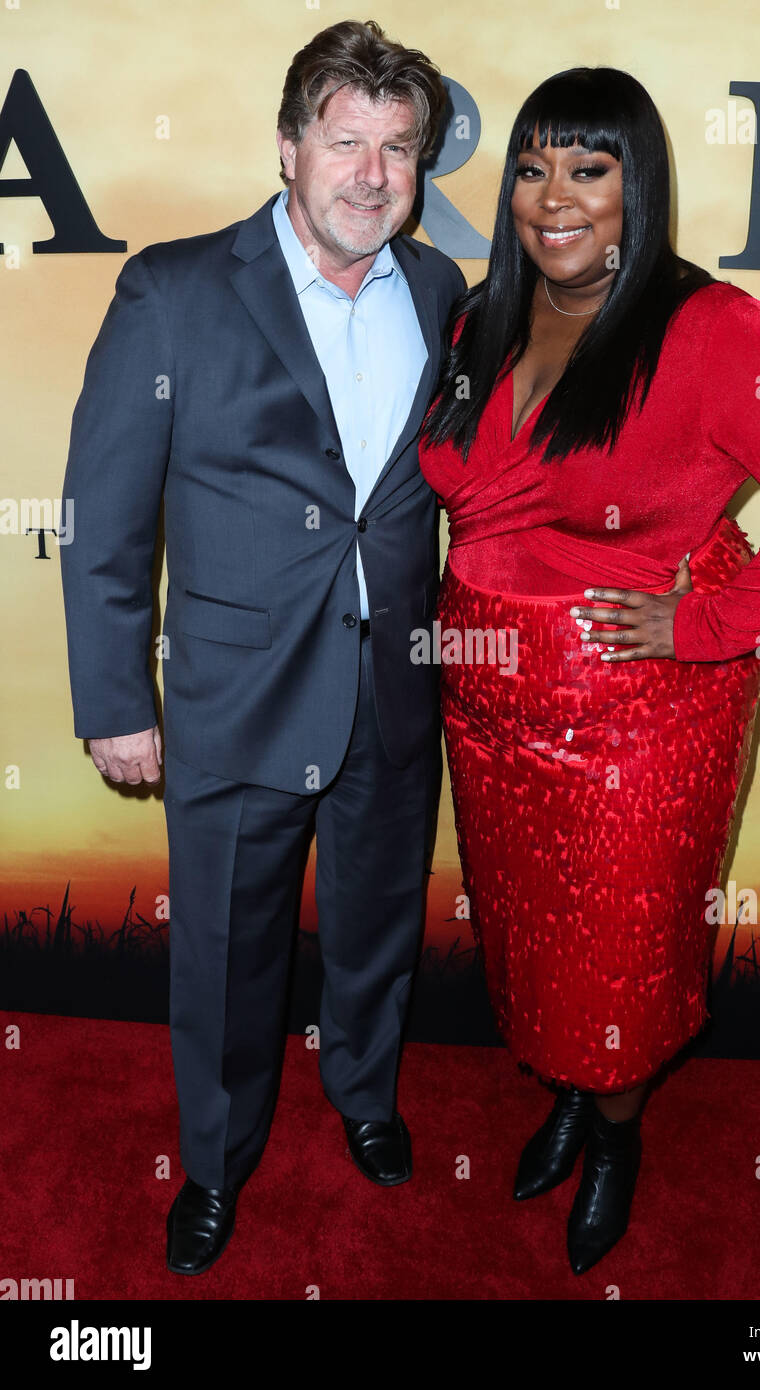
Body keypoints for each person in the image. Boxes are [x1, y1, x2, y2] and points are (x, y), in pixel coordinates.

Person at [418, 66, 760, 1275]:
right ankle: (573, 1097)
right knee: (530, 934)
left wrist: (709, 622)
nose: (552, 197)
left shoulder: (708, 330)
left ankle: (618, 1134)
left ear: (641, 185)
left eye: (589, 168)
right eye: (530, 168)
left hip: (635, 716)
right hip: (485, 702)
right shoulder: (482, 318)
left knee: (618, 954)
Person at [60, 19, 465, 1275]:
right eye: (344, 141)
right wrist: (115, 698)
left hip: (393, 682)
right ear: (287, 147)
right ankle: (218, 1160)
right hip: (236, 691)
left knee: (377, 918)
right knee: (229, 948)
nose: (371, 173)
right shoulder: (176, 288)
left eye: (398, 148)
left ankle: (363, 1093)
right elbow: (106, 516)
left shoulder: (444, 295)